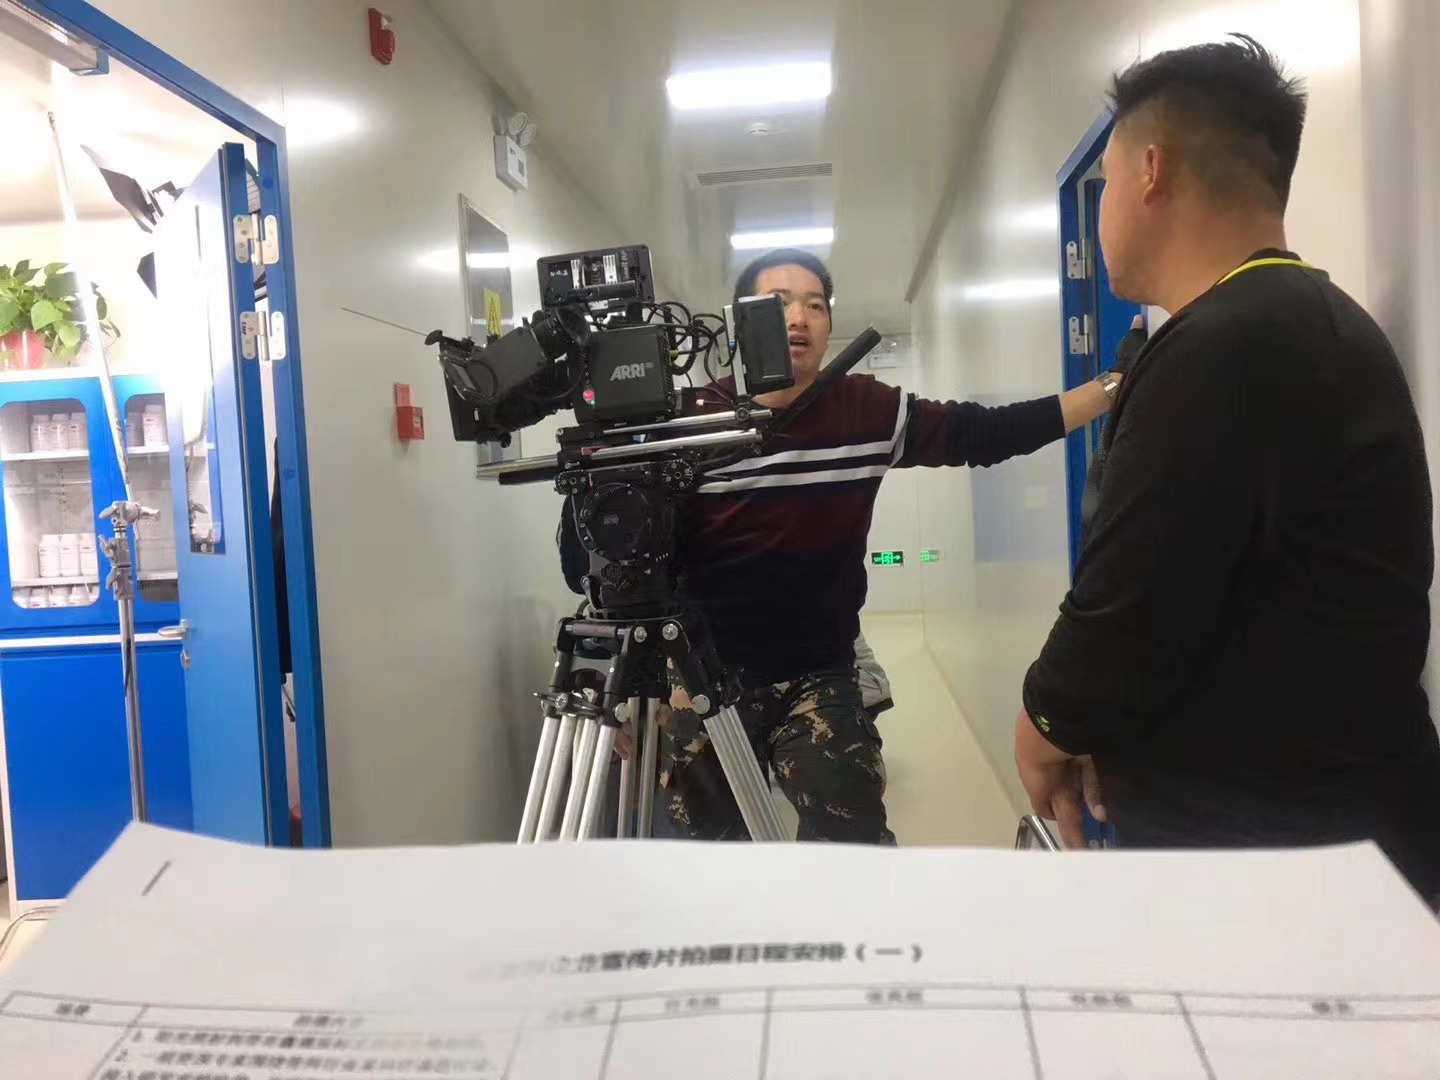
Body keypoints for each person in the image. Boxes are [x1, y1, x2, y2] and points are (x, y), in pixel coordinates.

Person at [1015, 36, 1440, 903]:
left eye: (1108, 181)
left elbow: (1129, 608)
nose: (1101, 216)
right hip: (1319, 842)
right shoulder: (1307, 323)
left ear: (1150, 171)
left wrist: (1046, 720)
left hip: (1283, 876)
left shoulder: (1223, 347)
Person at [629, 246, 1119, 844]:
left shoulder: (866, 410)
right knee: (699, 857)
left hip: (819, 671)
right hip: (707, 680)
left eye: (815, 305)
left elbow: (989, 433)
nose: (799, 318)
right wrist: (632, 693)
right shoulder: (692, 423)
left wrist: (1113, 386)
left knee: (854, 850)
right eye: (778, 303)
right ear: (739, 322)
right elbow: (630, 569)